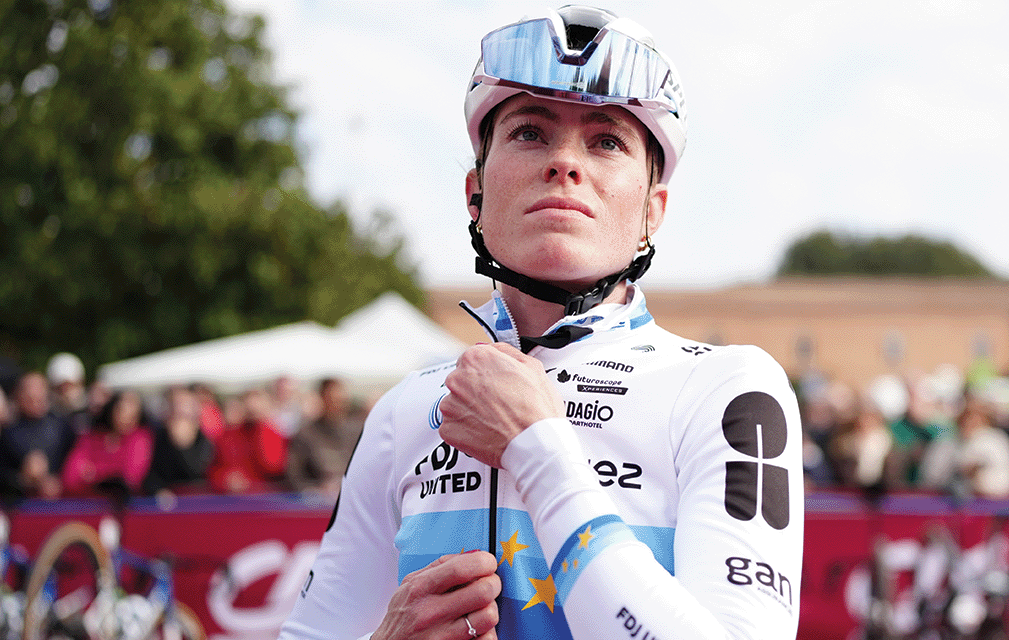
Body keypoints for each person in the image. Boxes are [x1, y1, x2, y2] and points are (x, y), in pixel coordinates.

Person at [281, 6, 803, 640]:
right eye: (530, 132)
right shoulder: (402, 412)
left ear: (652, 211)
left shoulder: (726, 388)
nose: (565, 163)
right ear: (474, 194)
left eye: (607, 141)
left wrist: (538, 449)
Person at [61, 389, 156, 497]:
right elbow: (69, 478)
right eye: (120, 407)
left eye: (130, 407)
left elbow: (130, 479)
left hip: (121, 504)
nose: (124, 413)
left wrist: (93, 473)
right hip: (84, 503)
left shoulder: (140, 438)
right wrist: (110, 475)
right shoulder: (90, 438)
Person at [0, 371, 76, 501]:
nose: (34, 394)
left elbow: (77, 465)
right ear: (19, 396)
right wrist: (24, 479)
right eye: (29, 393)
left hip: (62, 504)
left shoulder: (63, 427)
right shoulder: (7, 432)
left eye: (39, 390)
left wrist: (58, 481)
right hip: (21, 505)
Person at [285, 377, 363, 497]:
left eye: (340, 399)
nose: (337, 404)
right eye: (331, 399)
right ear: (322, 398)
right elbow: (294, 474)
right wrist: (314, 490)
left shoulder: (358, 431)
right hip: (319, 501)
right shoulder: (306, 434)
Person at [207, 387, 287, 494]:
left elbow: (274, 466)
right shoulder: (227, 436)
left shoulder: (276, 435)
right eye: (248, 403)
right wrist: (225, 479)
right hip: (233, 498)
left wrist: (261, 427)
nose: (252, 407)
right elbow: (213, 469)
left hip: (267, 497)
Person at [143, 385, 214, 496]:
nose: (179, 409)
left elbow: (197, 473)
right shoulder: (157, 437)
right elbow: (150, 475)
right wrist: (159, 491)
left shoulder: (205, 440)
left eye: (183, 404)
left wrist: (182, 445)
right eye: (175, 404)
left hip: (198, 500)